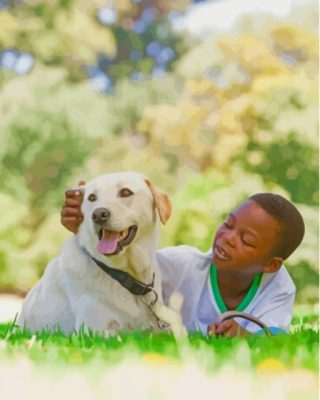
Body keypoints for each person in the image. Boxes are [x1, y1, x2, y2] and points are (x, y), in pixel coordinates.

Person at [61, 188, 305, 337]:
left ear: (271, 265)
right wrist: (87, 232)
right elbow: (123, 266)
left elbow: (274, 335)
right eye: (228, 224)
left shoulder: (279, 286)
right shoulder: (183, 264)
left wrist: (246, 335)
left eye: (247, 240)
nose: (227, 238)